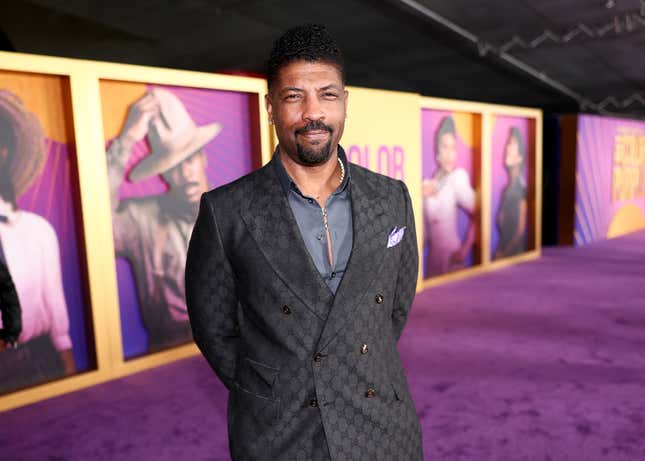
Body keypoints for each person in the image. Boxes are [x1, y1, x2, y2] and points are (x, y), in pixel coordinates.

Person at [186, 24, 423, 461]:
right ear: (271, 107)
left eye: (327, 95)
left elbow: (394, 306)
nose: (313, 112)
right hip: (280, 431)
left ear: (345, 103)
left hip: (382, 426)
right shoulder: (226, 210)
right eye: (294, 96)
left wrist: (361, 361)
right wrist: (269, 384)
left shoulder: (392, 199)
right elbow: (213, 327)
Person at [106, 88, 221, 352]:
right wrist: (125, 142)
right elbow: (96, 224)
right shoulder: (141, 219)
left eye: (190, 159)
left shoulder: (234, 211)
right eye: (173, 165)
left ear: (203, 158)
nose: (185, 173)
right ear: (163, 174)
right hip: (169, 351)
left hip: (233, 344)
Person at [0, 89, 75, 394]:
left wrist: (68, 366)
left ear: (5, 151)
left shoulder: (37, 230)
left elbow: (55, 305)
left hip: (38, 360)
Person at [422, 116, 476, 276]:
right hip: (432, 259)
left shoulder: (457, 177)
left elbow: (480, 212)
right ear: (437, 149)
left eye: (453, 148)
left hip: (452, 256)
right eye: (445, 147)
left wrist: (465, 249)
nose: (449, 154)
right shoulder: (429, 182)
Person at [495, 126, 528, 258]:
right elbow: (501, 221)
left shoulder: (521, 188)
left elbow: (520, 229)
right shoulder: (507, 190)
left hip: (514, 252)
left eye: (512, 143)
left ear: (520, 158)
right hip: (505, 248)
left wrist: (504, 253)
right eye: (508, 143)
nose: (507, 147)